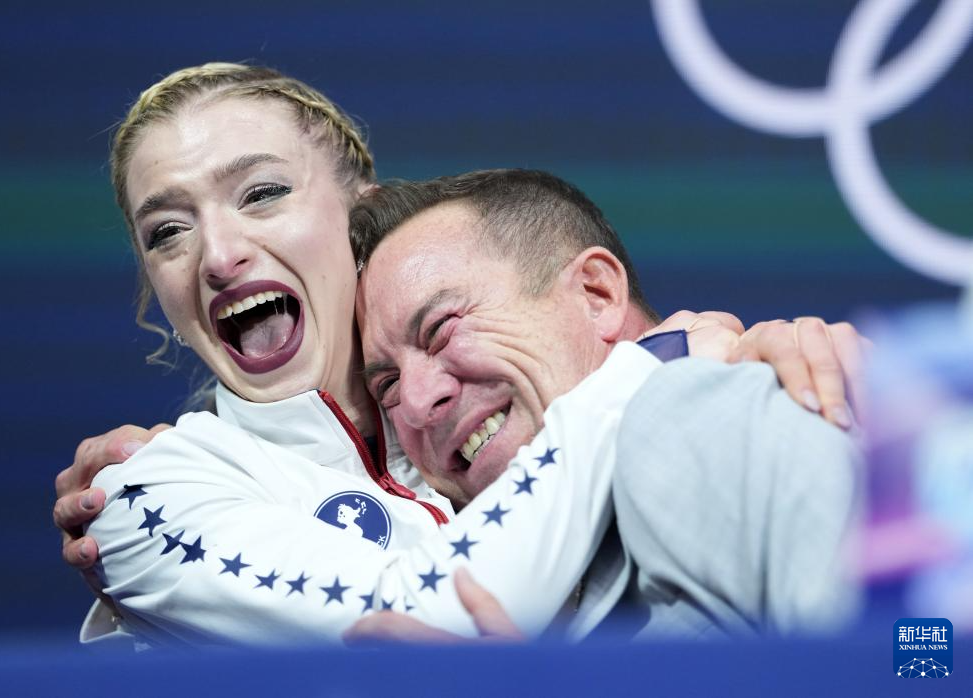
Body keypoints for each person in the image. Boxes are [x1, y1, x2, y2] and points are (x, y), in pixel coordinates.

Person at [55, 62, 863, 646]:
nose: (219, 254)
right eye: (167, 231)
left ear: (356, 214)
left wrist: (760, 386)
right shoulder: (150, 494)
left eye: (261, 192)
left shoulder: (662, 417)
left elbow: (912, 656)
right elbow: (422, 617)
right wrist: (646, 370)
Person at [342, 169, 861, 640]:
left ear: (597, 293)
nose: (416, 403)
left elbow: (906, 661)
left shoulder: (702, 414)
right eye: (388, 386)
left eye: (440, 330)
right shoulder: (496, 586)